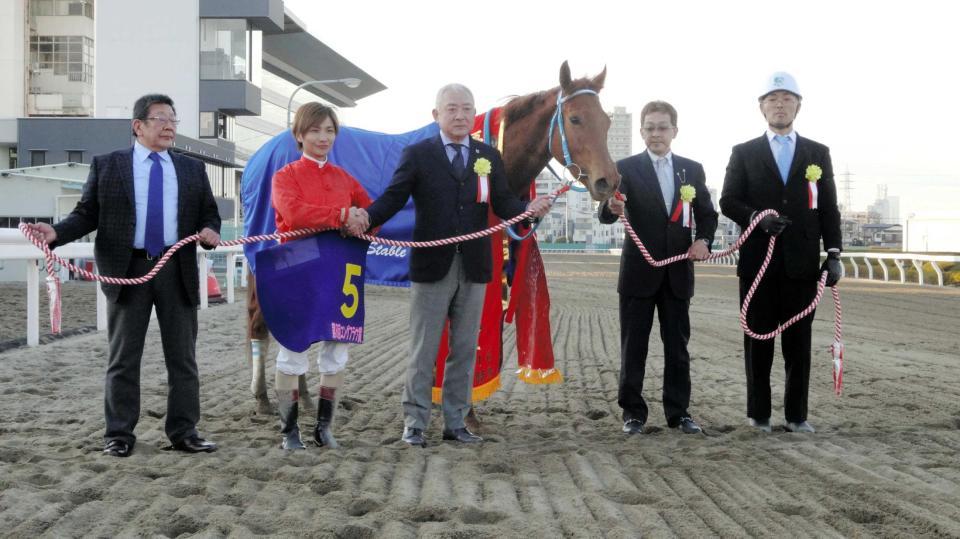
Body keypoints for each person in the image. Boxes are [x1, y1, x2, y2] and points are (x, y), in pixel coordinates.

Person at [27, 94, 222, 457]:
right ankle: (118, 434)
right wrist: (57, 233)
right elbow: (87, 214)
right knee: (124, 356)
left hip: (175, 267)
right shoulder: (109, 165)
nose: (169, 126)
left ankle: (184, 431)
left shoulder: (192, 170)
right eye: (161, 119)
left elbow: (209, 215)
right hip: (126, 269)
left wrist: (211, 232)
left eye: (173, 120)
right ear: (138, 126)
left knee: (183, 356)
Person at [361, 83, 551, 447]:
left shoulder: (487, 157)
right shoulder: (418, 154)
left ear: (473, 113)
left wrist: (528, 211)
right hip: (433, 266)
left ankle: (455, 421)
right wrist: (365, 218)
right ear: (437, 115)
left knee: (464, 348)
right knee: (424, 348)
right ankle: (414, 423)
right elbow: (393, 198)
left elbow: (505, 204)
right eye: (451, 109)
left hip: (476, 266)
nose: (460, 115)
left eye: (466, 109)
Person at [719, 72, 842, 433]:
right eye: (772, 98)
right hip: (758, 261)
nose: (779, 104)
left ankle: (796, 416)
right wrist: (756, 218)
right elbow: (728, 200)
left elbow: (829, 207)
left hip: (802, 264)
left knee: (798, 344)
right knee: (758, 342)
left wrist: (833, 253)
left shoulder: (817, 153)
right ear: (761, 107)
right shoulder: (743, 153)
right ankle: (759, 414)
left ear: (798, 105)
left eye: (787, 98)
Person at [598, 100, 718, 436]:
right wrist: (612, 207)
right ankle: (633, 414)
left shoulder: (691, 170)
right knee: (633, 346)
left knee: (677, 349)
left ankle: (679, 413)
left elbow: (708, 214)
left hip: (678, 274)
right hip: (638, 273)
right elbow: (605, 215)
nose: (656, 134)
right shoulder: (625, 168)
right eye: (649, 127)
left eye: (662, 127)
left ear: (674, 131)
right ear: (641, 131)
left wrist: (704, 241)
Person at [269, 102, 372, 450]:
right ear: (299, 135)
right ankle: (289, 431)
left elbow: (371, 211)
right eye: (315, 130)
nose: (323, 137)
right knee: (292, 348)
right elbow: (294, 214)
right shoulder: (285, 177)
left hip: (339, 272)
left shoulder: (345, 178)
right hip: (297, 271)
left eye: (329, 130)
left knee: (337, 349)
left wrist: (363, 218)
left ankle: (324, 428)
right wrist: (343, 214)